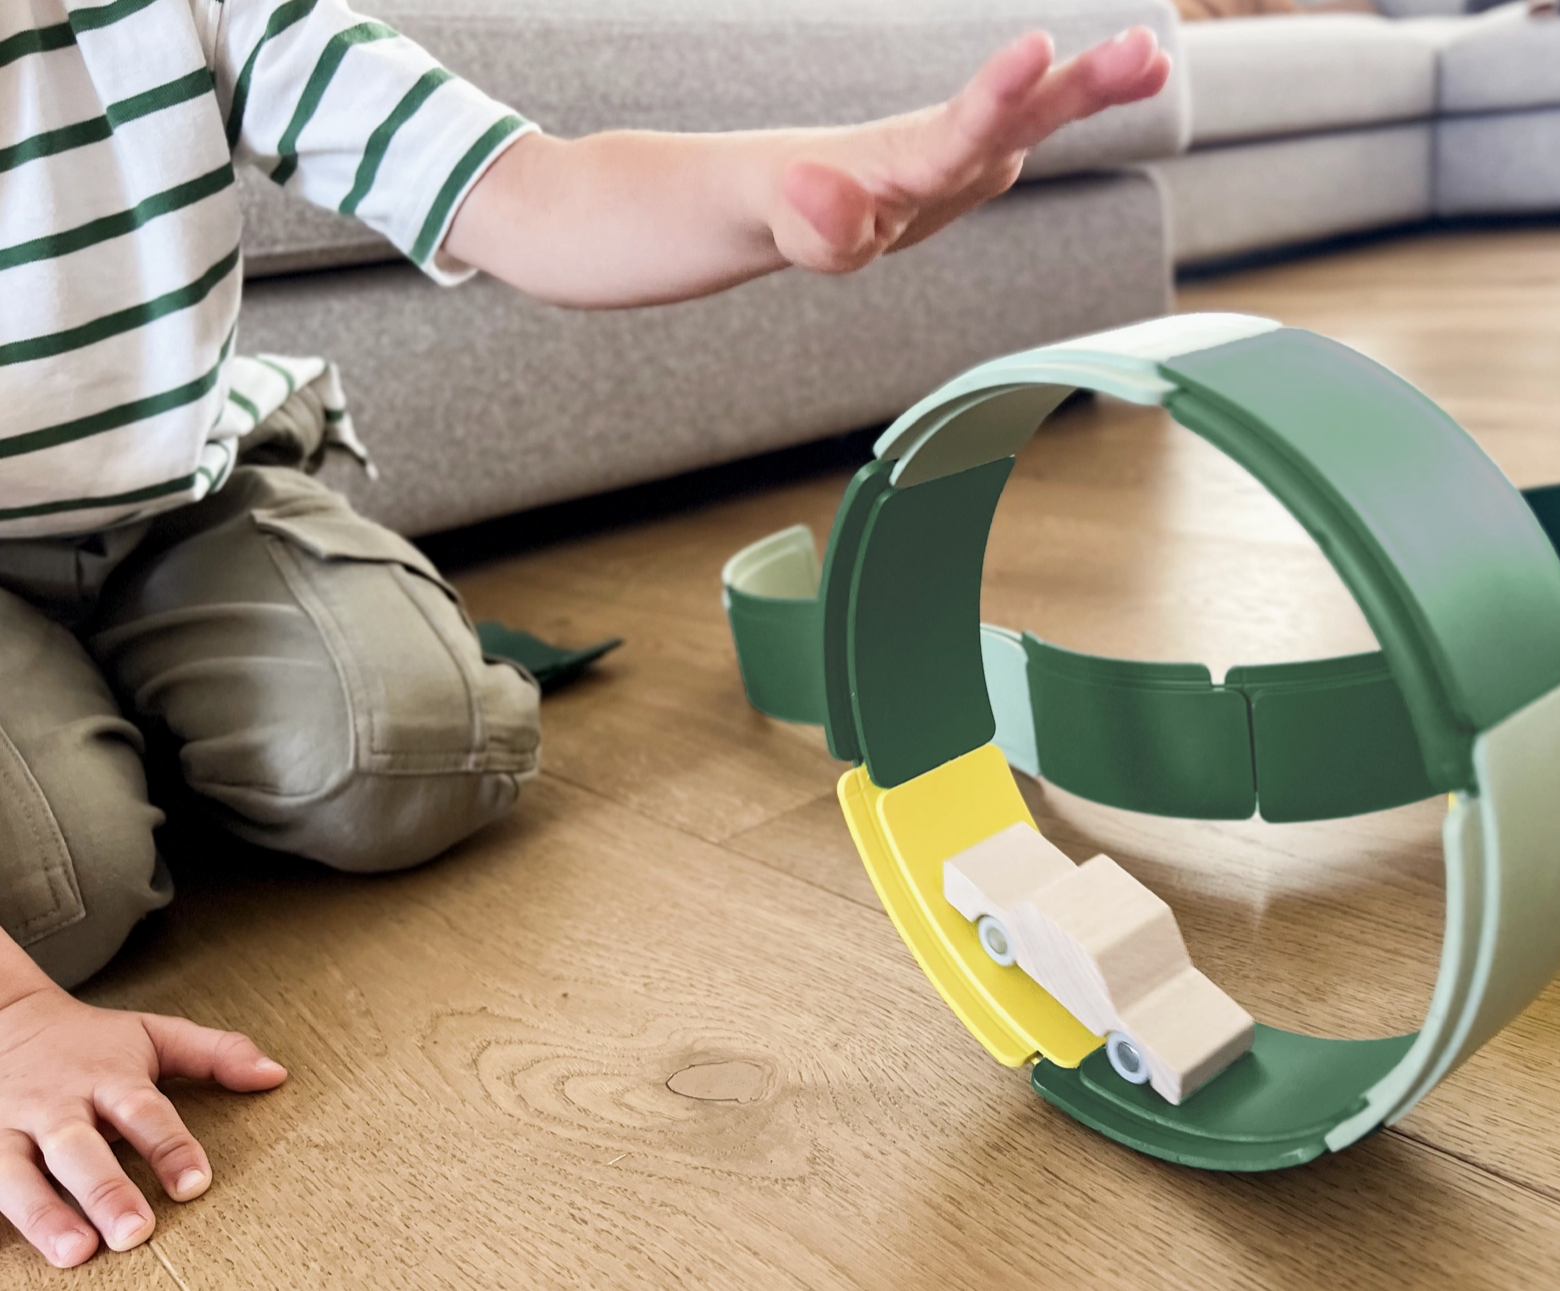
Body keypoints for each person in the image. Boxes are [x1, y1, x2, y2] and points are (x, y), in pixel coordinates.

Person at [0, 0, 1169, 1267]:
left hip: (185, 490)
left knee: (412, 754)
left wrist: (795, 186)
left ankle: (147, 709)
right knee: (58, 894)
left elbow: (529, 187)